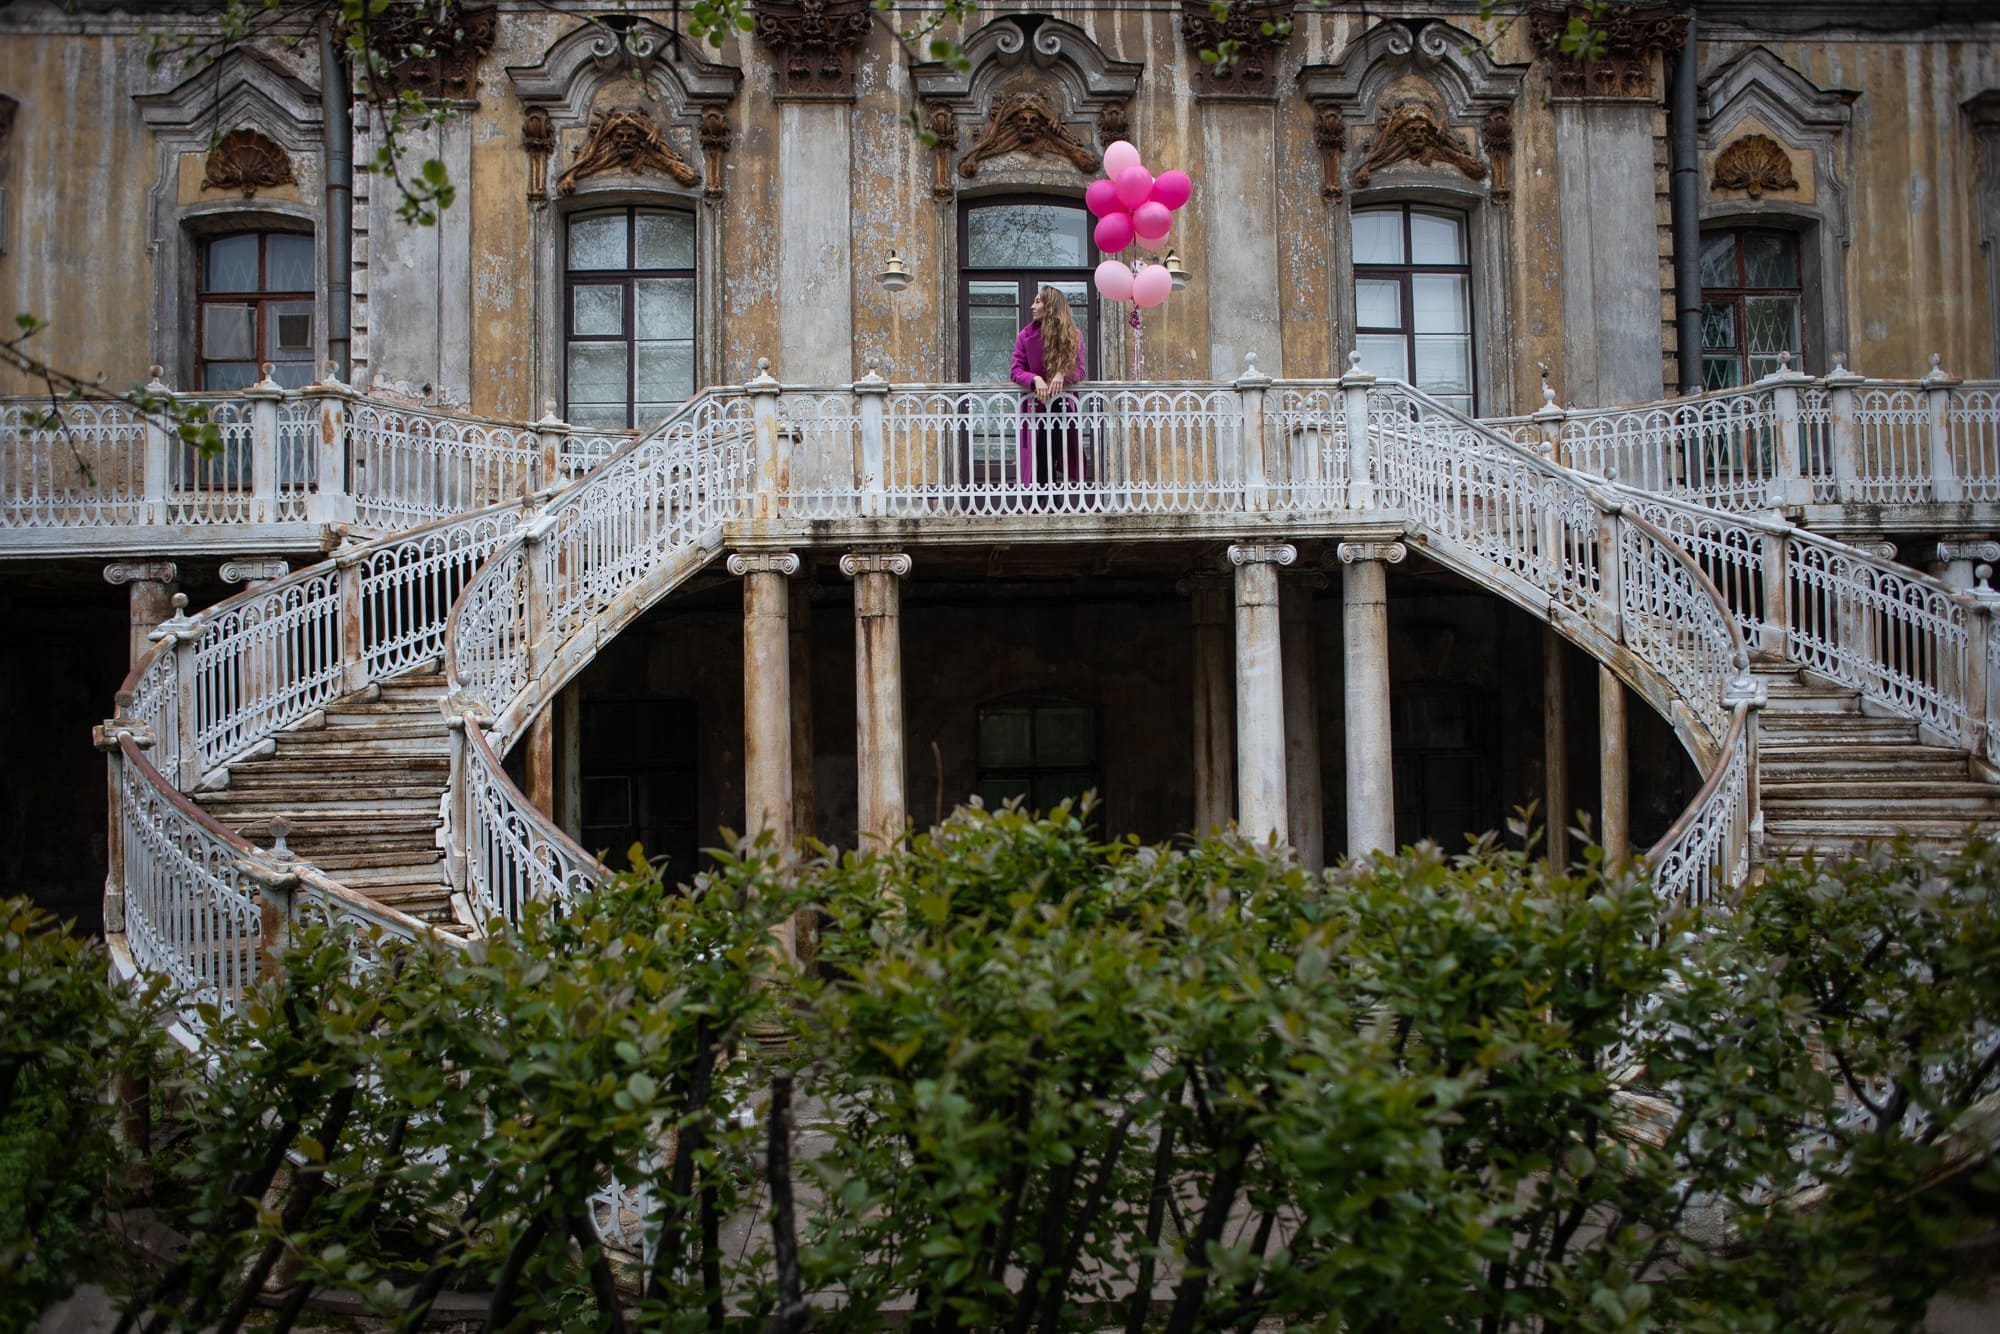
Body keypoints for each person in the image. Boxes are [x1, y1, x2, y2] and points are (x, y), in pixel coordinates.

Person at [1010, 286, 1088, 491]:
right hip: (1035, 405)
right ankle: (1039, 499)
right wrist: (1035, 379)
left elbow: (1079, 371)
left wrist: (1061, 374)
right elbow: (1016, 370)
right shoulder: (1025, 335)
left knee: (1057, 449)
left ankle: (1054, 498)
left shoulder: (1073, 335)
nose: (1032, 306)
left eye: (1038, 302)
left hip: (1061, 405)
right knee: (1037, 453)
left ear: (1050, 306)